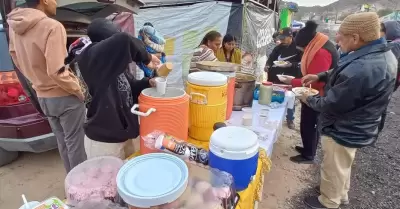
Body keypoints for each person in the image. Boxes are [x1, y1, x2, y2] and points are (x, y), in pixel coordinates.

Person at [300, 12, 397, 209]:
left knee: (333, 165)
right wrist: (320, 75)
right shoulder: (376, 54)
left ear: (355, 38)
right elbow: (342, 70)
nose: (337, 38)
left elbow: (331, 103)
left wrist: (308, 98)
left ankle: (329, 201)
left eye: (342, 35)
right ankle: (341, 195)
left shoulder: (364, 68)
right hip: (358, 123)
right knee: (342, 164)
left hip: (344, 126)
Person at [7, 0, 86, 173]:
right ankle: (81, 188)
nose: (56, 2)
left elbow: (15, 56)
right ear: (44, 1)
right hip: (64, 95)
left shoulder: (14, 26)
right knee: (75, 144)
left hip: (43, 96)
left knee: (63, 142)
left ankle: (71, 184)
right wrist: (77, 90)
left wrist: (35, 77)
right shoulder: (52, 26)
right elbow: (56, 70)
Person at [69, 19, 160, 159]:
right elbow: (124, 40)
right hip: (104, 140)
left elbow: (129, 88)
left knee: (126, 177)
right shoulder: (89, 59)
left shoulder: (113, 63)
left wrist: (148, 82)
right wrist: (147, 58)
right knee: (108, 180)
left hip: (123, 133)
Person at [280, 21, 339, 164]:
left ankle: (309, 155)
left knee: (311, 124)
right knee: (306, 122)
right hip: (312, 93)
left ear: (309, 44)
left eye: (303, 48)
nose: (303, 51)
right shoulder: (317, 44)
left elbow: (316, 81)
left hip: (319, 95)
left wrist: (291, 82)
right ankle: (307, 148)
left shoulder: (321, 52)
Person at [265, 27, 302, 129]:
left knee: (290, 98)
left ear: (290, 37)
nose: (281, 41)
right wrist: (267, 65)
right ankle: (273, 116)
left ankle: (290, 119)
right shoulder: (279, 47)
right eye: (280, 38)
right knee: (275, 96)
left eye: (284, 38)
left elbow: (302, 63)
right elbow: (271, 58)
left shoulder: (298, 48)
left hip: (290, 77)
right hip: (276, 76)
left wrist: (290, 64)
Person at [378, 21, 400, 133]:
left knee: (381, 104)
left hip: (391, 79)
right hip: (394, 79)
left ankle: (376, 130)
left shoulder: (395, 45)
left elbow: (389, 64)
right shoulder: (396, 42)